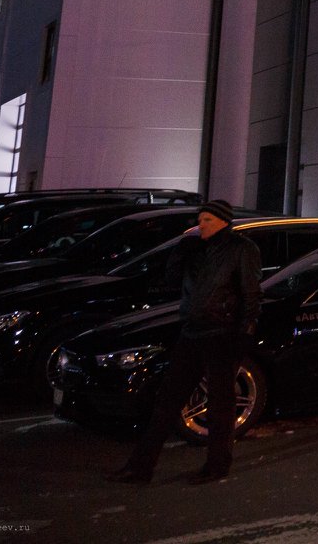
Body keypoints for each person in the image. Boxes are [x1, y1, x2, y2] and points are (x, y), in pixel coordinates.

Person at [107, 199, 261, 485]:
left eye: (208, 220)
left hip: (221, 335)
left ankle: (217, 465)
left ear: (223, 222)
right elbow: (171, 280)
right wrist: (180, 251)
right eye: (200, 220)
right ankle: (140, 467)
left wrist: (243, 335)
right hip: (192, 333)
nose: (201, 225)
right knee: (167, 401)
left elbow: (251, 294)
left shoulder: (241, 249)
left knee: (220, 405)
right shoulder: (195, 249)